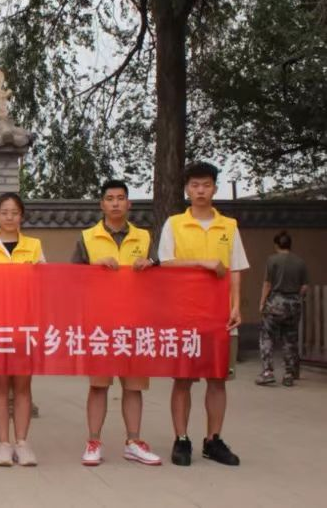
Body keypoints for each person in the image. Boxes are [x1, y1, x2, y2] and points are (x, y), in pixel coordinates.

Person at [159, 162, 248, 467]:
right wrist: (202, 263)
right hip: (184, 314)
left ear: (214, 188)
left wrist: (236, 305)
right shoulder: (174, 224)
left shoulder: (229, 226)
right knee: (183, 379)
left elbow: (235, 268)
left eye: (206, 185)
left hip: (219, 315)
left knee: (218, 379)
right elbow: (165, 263)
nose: (200, 191)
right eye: (195, 185)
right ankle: (181, 439)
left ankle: (213, 440)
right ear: (187, 189)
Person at [71, 180, 161, 467]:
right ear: (102, 204)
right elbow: (71, 279)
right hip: (101, 324)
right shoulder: (87, 237)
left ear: (129, 203)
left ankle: (133, 442)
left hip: (135, 322)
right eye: (109, 198)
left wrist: (150, 265)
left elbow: (161, 277)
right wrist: (95, 269)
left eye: (121, 198)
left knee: (133, 387)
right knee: (99, 386)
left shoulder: (144, 237)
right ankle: (93, 441)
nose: (115, 203)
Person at [0, 192, 42, 468]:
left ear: (22, 215)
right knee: (0, 385)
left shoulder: (34, 246)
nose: (10, 217)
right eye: (4, 213)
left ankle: (22, 443)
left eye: (14, 212)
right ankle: (3, 443)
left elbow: (45, 285)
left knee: (23, 386)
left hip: (26, 325)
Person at [256, 231, 309, 387]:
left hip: (275, 304)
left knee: (267, 336)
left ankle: (267, 372)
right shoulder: (300, 262)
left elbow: (267, 284)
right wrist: (295, 298)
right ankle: (288, 375)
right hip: (293, 306)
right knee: (290, 339)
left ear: (276, 245)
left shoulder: (272, 260)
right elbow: (304, 287)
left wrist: (262, 303)